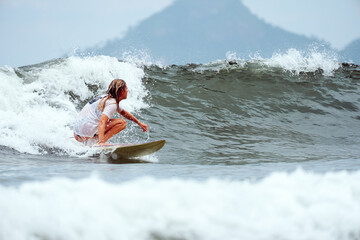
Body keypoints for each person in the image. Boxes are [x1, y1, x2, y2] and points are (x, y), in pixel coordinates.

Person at [73, 79, 148, 146]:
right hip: (85, 132)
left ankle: (94, 142)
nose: (127, 91)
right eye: (126, 89)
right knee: (122, 123)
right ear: (122, 91)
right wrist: (101, 141)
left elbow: (123, 112)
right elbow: (102, 121)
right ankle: (99, 143)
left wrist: (139, 123)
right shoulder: (112, 104)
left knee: (117, 121)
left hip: (77, 134)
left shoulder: (105, 98)